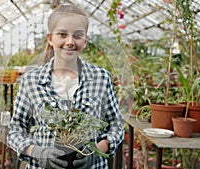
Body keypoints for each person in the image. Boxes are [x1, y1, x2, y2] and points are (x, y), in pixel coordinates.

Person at [7, 4, 124, 169]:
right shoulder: (31, 80)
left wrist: (95, 151)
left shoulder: (101, 78)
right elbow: (16, 129)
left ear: (85, 40)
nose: (70, 42)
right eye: (62, 34)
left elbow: (116, 124)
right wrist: (36, 152)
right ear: (50, 38)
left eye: (77, 35)